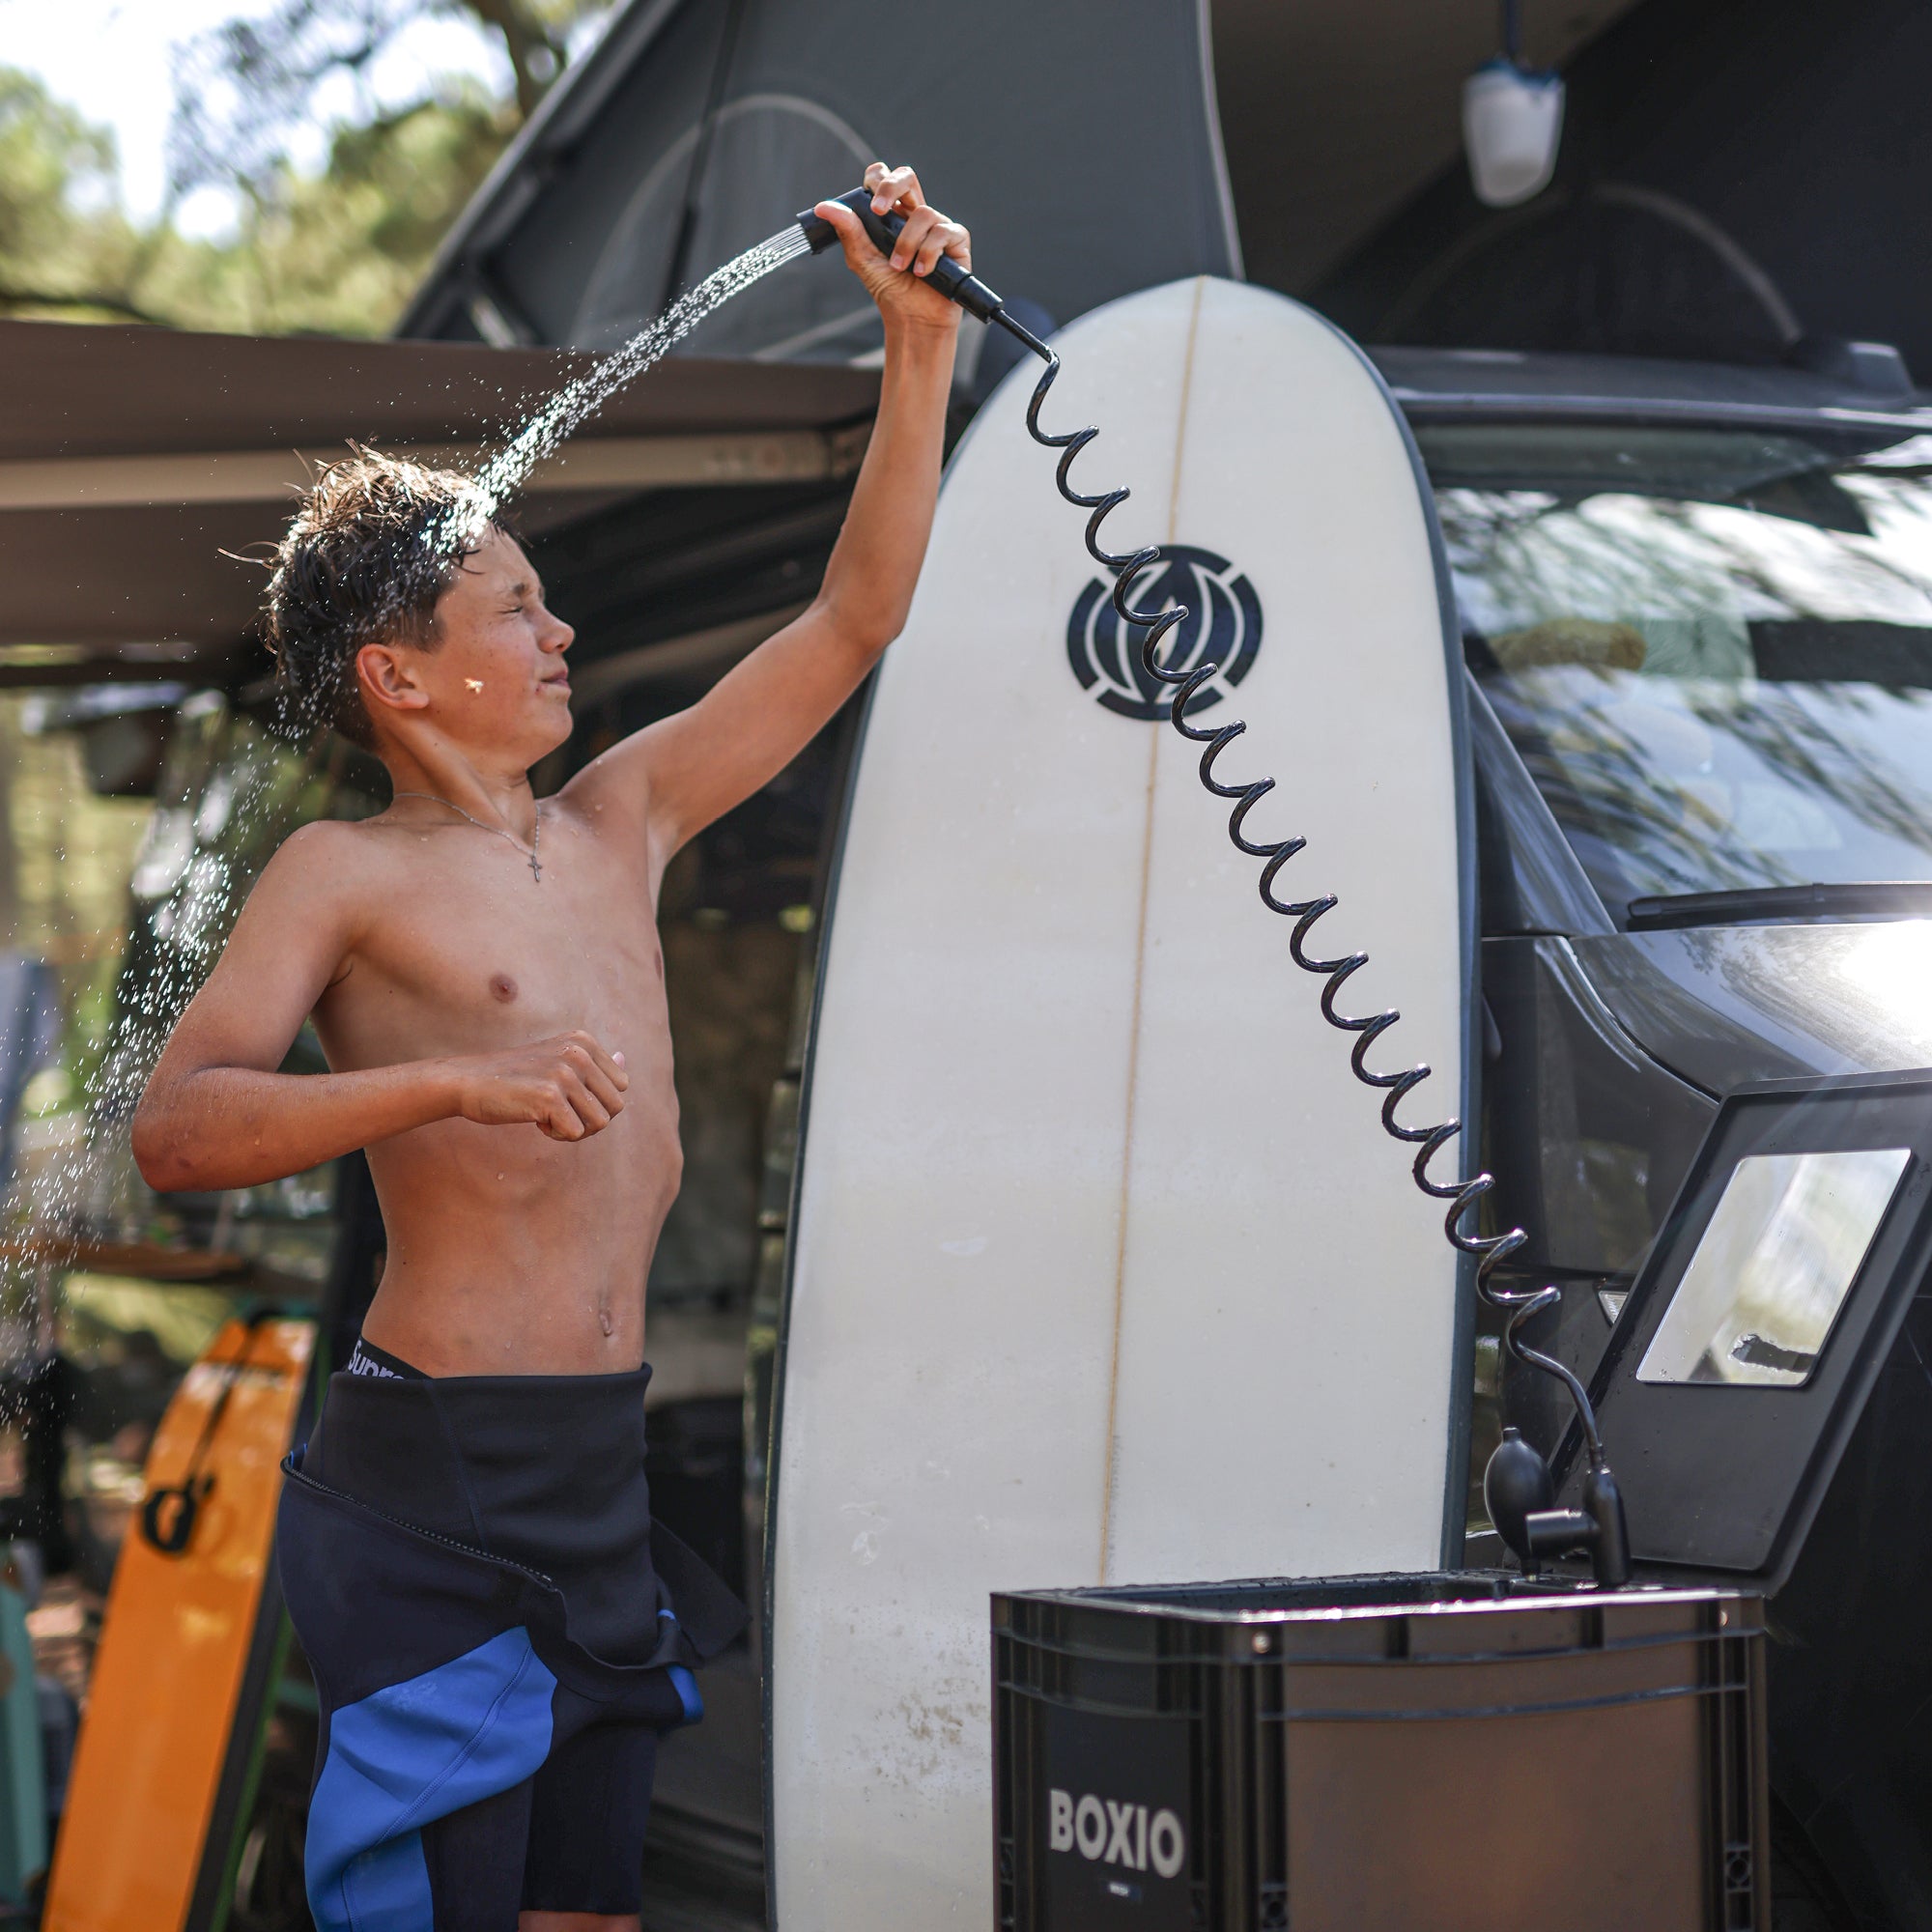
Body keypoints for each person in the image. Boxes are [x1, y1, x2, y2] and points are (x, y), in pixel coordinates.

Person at [131, 163, 967, 1932]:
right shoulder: (341, 873)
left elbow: (855, 619)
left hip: (599, 1461)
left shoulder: (621, 819)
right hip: (437, 1477)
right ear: (399, 676)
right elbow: (179, 1129)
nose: (559, 627)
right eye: (515, 606)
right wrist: (454, 1083)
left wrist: (917, 352)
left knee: (591, 1909)